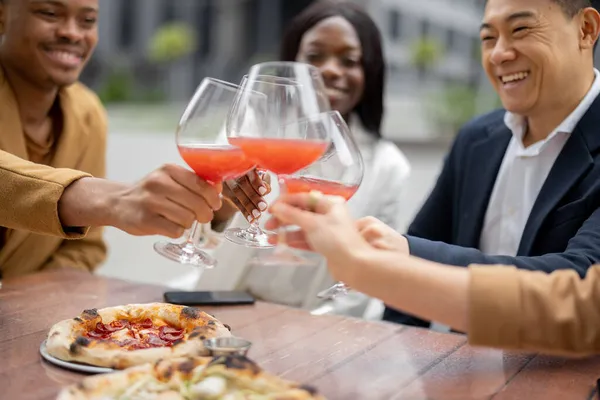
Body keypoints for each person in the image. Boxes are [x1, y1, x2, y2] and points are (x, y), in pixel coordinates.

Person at [0, 0, 268, 278]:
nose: (72, 32)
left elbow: (85, 248)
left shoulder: (86, 112)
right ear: (2, 14)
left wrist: (216, 206)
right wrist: (116, 201)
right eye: (50, 13)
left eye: (88, 21)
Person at [383, 0, 600, 328]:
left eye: (520, 30)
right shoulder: (476, 140)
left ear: (586, 30)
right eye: (488, 38)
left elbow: (581, 280)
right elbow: (407, 290)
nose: (499, 54)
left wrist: (403, 251)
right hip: (457, 373)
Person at [201, 0, 411, 316]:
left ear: (370, 71)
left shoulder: (388, 166)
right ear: (291, 63)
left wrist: (306, 334)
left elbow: (368, 281)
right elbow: (202, 235)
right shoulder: (249, 133)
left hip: (317, 327)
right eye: (314, 56)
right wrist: (221, 208)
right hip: (222, 306)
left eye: (350, 60)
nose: (330, 69)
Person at [267, 192, 600, 357]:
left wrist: (363, 264)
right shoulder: (478, 135)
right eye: (486, 49)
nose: (500, 54)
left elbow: (579, 301)